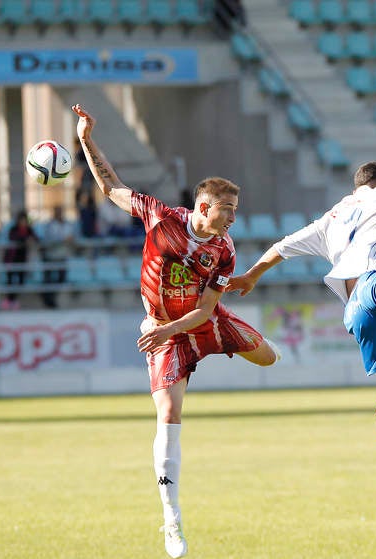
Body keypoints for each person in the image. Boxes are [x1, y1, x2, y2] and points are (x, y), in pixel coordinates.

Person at [72, 103, 280, 559]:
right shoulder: (160, 217)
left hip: (202, 322)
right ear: (203, 207)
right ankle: (172, 520)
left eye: (235, 210)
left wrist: (174, 331)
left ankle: (209, 350)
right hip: (166, 329)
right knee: (168, 412)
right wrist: (86, 139)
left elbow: (208, 309)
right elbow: (111, 188)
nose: (232, 217)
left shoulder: (223, 250)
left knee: (270, 358)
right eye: (226, 209)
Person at [229, 162, 376, 458]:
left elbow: (282, 247)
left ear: (355, 187)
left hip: (356, 311)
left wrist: (251, 275)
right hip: (374, 282)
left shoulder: (330, 219)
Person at [2, 210, 38, 310]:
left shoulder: (29, 229)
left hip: (22, 259)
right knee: (10, 281)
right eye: (22, 220)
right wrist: (25, 239)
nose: (23, 222)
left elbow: (37, 238)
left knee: (21, 281)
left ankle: (12, 299)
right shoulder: (13, 229)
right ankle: (10, 300)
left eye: (25, 220)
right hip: (11, 259)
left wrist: (30, 239)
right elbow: (13, 237)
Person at [40, 205, 72, 309]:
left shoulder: (67, 224)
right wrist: (63, 240)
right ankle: (48, 300)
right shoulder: (50, 225)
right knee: (48, 280)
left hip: (62, 256)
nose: (59, 214)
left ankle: (51, 298)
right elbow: (50, 240)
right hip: (51, 256)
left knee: (61, 278)